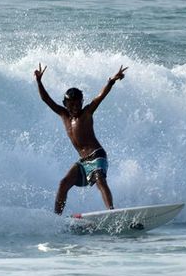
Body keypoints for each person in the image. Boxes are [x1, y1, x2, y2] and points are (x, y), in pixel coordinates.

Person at [34, 62, 128, 215]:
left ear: (82, 103)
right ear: (65, 104)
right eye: (71, 104)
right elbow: (46, 99)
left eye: (77, 103)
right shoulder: (64, 115)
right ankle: (56, 218)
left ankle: (111, 212)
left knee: (100, 180)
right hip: (83, 162)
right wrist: (38, 81)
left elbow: (100, 96)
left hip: (97, 156)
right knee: (63, 183)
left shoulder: (87, 113)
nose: (75, 107)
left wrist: (111, 81)